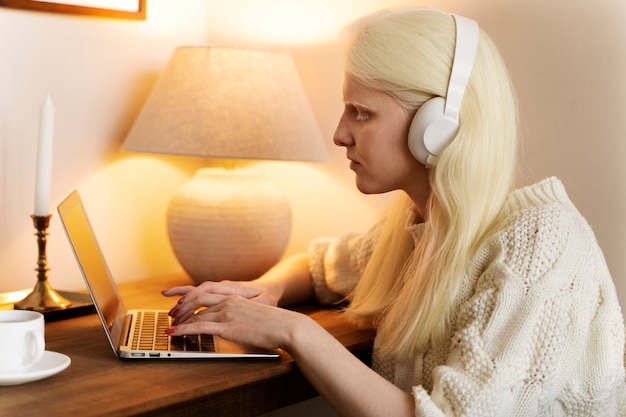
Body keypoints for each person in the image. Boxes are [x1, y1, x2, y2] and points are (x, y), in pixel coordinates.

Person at [163, 7, 626, 416]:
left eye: (361, 112)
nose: (340, 134)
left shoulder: (541, 241)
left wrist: (294, 332)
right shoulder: (419, 224)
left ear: (438, 127)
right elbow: (322, 267)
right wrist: (266, 290)